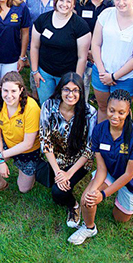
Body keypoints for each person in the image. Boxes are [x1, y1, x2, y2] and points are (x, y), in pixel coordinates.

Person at [68, 89, 133, 245]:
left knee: (119, 218)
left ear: (128, 112)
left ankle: (126, 198)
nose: (115, 116)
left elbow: (128, 175)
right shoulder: (99, 130)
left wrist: (103, 195)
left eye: (121, 112)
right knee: (87, 199)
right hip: (110, 172)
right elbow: (102, 168)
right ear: (107, 108)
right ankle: (89, 228)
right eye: (112, 110)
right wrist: (94, 192)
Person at [36, 73, 97, 228]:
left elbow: (89, 148)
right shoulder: (48, 107)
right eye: (67, 90)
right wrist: (58, 172)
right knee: (38, 175)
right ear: (60, 90)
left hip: (78, 162)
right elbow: (45, 141)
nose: (71, 94)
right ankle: (57, 177)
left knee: (58, 193)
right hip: (56, 159)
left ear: (81, 92)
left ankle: (73, 205)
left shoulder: (90, 113)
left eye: (75, 90)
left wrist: (68, 174)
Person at [90, 0, 133, 120]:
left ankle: (122, 141)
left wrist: (114, 76)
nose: (121, 3)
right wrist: (102, 72)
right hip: (101, 73)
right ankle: (102, 138)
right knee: (103, 108)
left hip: (126, 78)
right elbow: (96, 43)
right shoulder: (106, 14)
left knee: (121, 113)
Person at [0, 71, 42, 198]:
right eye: (5, 91)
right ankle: (0, 184)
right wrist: (1, 160)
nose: (9, 95)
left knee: (24, 189)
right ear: (1, 89)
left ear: (21, 90)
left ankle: (32, 169)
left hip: (27, 150)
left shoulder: (32, 108)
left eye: (13, 91)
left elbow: (28, 143)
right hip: (7, 142)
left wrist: (0, 155)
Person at [30, 0, 91, 104]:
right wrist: (35, 71)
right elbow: (34, 46)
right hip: (44, 74)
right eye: (62, 0)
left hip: (68, 76)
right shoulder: (42, 20)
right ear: (56, 1)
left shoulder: (80, 26)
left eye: (69, 1)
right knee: (46, 105)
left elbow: (82, 57)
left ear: (73, 5)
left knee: (65, 106)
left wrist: (76, 81)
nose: (64, 4)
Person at [76, 0, 114, 98]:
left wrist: (96, 50)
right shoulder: (80, 2)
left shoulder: (111, 3)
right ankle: (84, 106)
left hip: (105, 49)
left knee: (104, 81)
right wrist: (87, 50)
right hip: (84, 48)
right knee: (83, 79)